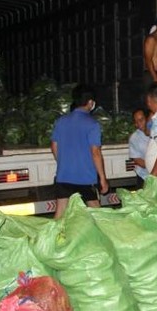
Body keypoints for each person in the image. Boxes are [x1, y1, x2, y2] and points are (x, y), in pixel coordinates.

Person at [50, 84, 109, 218]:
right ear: (90, 103)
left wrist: (63, 163)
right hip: (86, 177)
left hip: (64, 175)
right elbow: (95, 152)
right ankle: (106, 237)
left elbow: (54, 145)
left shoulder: (61, 121)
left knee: (60, 213)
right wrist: (103, 178)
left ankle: (52, 238)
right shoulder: (93, 124)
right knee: (96, 211)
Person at [128, 108, 151, 188]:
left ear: (147, 119)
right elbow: (137, 160)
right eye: (136, 121)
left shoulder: (156, 132)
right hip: (144, 176)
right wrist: (155, 168)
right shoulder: (134, 138)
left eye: (141, 120)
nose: (139, 124)